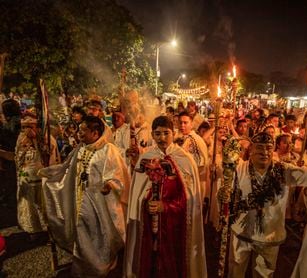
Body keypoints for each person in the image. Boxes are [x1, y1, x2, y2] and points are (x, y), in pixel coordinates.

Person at [220, 132, 307, 277]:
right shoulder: (238, 169)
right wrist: (223, 194)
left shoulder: (283, 170)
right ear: (251, 149)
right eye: (259, 147)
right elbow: (224, 194)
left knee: (263, 274)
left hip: (269, 235)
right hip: (241, 232)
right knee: (235, 272)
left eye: (268, 148)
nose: (264, 152)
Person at [39, 116, 130, 277]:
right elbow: (67, 167)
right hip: (80, 199)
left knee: (99, 233)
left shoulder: (108, 150)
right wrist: (48, 174)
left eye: (83, 130)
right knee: (82, 230)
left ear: (95, 133)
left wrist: (109, 185)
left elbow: (118, 174)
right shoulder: (81, 149)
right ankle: (84, 265)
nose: (79, 133)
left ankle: (101, 264)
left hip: (101, 203)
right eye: (79, 130)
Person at [124, 116, 207, 278]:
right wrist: (145, 203)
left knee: (173, 265)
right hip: (149, 225)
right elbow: (137, 195)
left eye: (166, 133)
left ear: (173, 133)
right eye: (157, 134)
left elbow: (190, 199)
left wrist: (166, 206)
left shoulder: (185, 159)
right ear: (152, 135)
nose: (162, 138)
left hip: (176, 226)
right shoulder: (146, 158)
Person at [14, 114, 60, 235]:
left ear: (37, 127)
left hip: (41, 179)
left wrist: (37, 141)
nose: (26, 130)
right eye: (24, 127)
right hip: (26, 179)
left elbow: (51, 159)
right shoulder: (21, 139)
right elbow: (18, 159)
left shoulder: (47, 139)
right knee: (29, 206)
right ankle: (32, 230)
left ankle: (48, 231)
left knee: (43, 205)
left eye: (30, 126)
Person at [178, 111, 209, 199]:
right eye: (180, 123)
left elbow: (201, 164)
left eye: (185, 123)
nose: (182, 125)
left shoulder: (194, 139)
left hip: (195, 183)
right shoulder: (183, 137)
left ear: (191, 124)